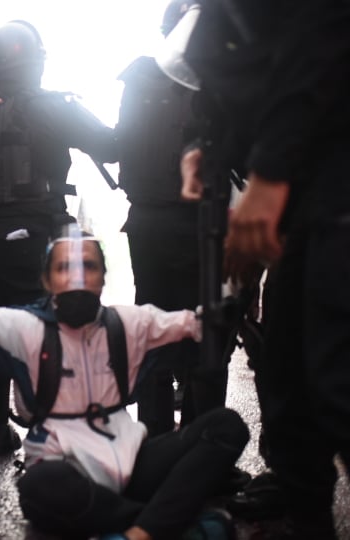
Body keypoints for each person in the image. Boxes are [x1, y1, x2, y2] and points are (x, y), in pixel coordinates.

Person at [173, 1, 350, 538]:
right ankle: (304, 519)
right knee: (287, 372)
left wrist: (270, 171)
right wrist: (206, 149)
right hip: (320, 160)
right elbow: (253, 60)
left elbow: (322, 27)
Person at [0, 190, 250, 540]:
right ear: (47, 280)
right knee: (40, 487)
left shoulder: (131, 324)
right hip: (62, 470)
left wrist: (238, 283)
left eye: (88, 266)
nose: (76, 276)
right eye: (64, 267)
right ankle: (170, 525)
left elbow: (201, 322)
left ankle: (134, 532)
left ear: (103, 278)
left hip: (132, 462)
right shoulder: (23, 329)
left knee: (225, 426)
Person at [0, 19, 119, 458]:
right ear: (36, 61)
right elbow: (112, 146)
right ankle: (50, 435)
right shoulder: (52, 106)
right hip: (37, 238)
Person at [115, 0, 203, 438]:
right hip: (195, 225)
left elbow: (118, 142)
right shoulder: (214, 80)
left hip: (147, 221)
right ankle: (198, 445)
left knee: (153, 326)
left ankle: (155, 436)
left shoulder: (138, 79)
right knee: (202, 332)